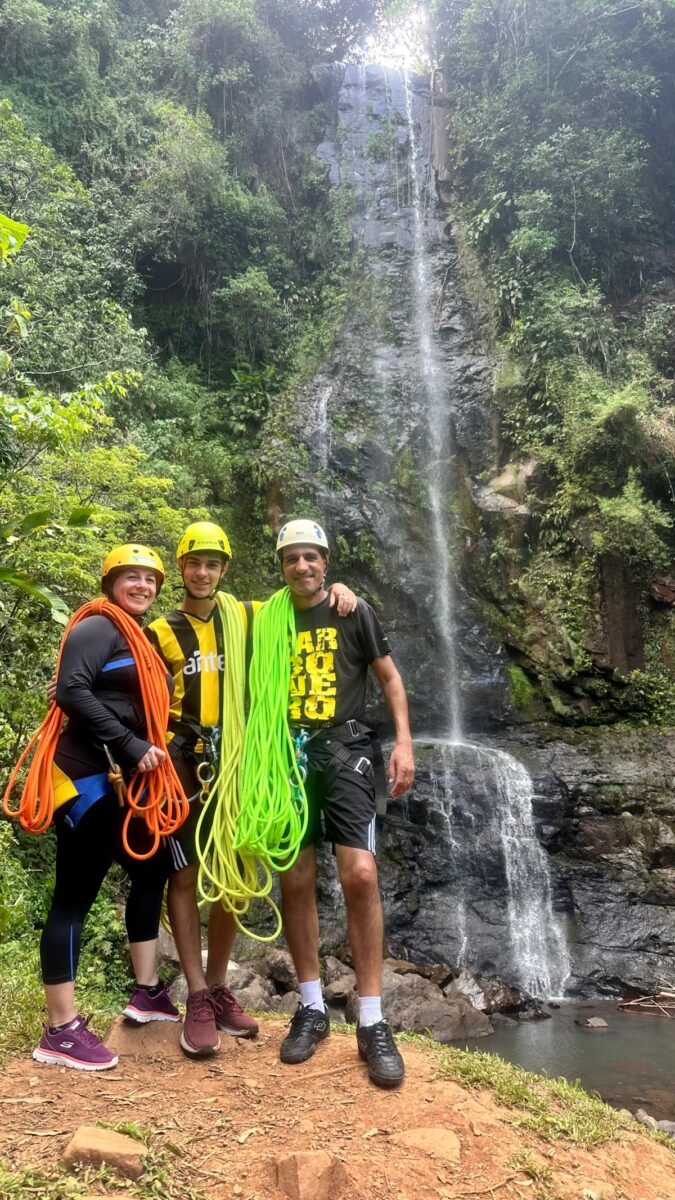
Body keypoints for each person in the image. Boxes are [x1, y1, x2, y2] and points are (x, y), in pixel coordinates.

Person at [145, 521, 357, 1058]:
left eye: (212, 564)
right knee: (187, 873)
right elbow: (135, 692)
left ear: (224, 570)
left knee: (234, 874)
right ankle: (194, 992)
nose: (202, 572)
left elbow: (303, 599)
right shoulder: (161, 632)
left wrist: (343, 591)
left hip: (239, 764)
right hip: (184, 763)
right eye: (194, 563)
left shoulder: (249, 615)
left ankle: (217, 986)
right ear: (182, 569)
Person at [270, 520, 414, 1088]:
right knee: (296, 873)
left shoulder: (353, 611)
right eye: (291, 559)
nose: (302, 566)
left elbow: (389, 678)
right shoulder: (268, 620)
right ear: (282, 566)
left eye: (311, 557)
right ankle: (310, 1006)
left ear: (326, 561)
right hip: (286, 753)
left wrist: (403, 743)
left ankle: (372, 1018)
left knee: (358, 873)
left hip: (348, 747)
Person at [29, 545, 181, 1071]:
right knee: (75, 895)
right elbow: (72, 690)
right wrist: (132, 743)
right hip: (90, 776)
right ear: (111, 581)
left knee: (152, 866)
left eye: (150, 579)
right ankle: (60, 1030)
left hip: (123, 782)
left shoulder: (138, 636)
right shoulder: (97, 625)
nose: (141, 586)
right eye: (131, 577)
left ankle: (146, 992)